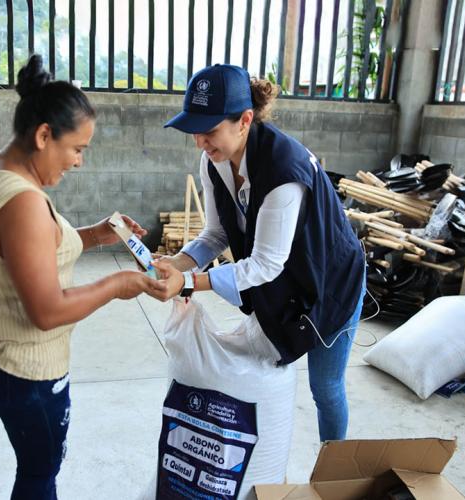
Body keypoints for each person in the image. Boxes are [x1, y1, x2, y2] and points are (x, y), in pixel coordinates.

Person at [0, 54, 165, 499]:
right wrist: (118, 285)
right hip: (26, 370)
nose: (78, 163)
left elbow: (23, 252)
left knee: (34, 467)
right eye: (77, 149)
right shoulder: (25, 202)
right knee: (39, 474)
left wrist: (93, 235)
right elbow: (47, 311)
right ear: (42, 135)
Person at [152, 64, 367, 442]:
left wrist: (188, 282)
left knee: (326, 387)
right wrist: (177, 263)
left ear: (245, 120)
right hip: (292, 276)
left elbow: (266, 263)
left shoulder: (284, 170)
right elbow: (216, 233)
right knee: (260, 370)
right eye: (195, 132)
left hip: (335, 280)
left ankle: (335, 473)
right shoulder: (214, 160)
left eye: (210, 130)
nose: (200, 143)